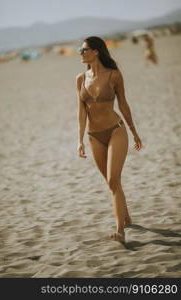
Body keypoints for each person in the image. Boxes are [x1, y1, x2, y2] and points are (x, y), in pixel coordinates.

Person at [76, 36, 142, 244]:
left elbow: (123, 105)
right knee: (111, 182)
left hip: (115, 130)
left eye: (84, 49)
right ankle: (126, 214)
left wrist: (134, 132)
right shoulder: (80, 79)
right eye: (80, 50)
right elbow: (81, 113)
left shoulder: (114, 75)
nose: (81, 52)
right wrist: (80, 140)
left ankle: (120, 230)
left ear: (96, 51)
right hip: (93, 136)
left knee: (113, 180)